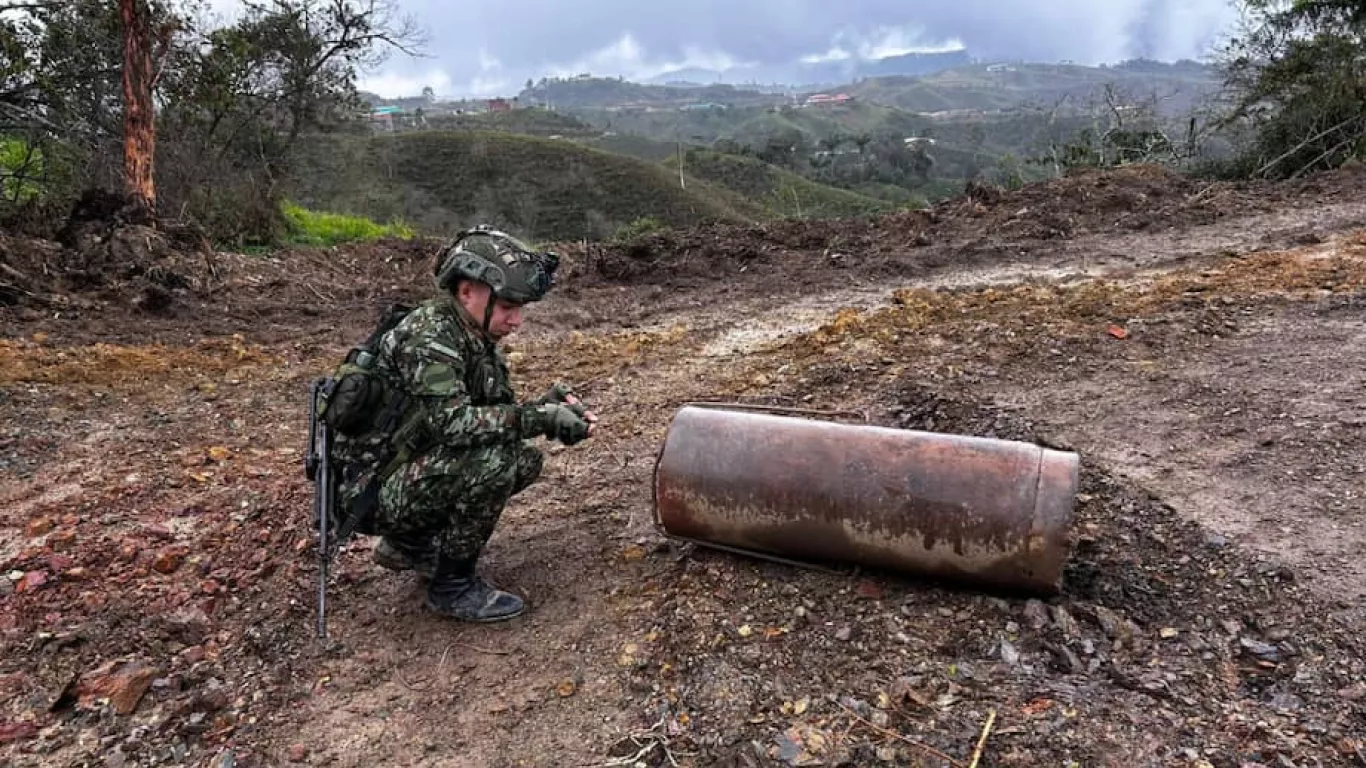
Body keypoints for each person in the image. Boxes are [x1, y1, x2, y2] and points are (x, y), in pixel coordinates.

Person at [337, 225, 597, 623]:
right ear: (467, 291)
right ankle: (452, 587)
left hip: (400, 472)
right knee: (495, 464)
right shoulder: (430, 337)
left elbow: (494, 417)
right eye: (508, 306)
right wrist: (541, 418)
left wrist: (549, 407)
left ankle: (408, 543)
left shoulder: (472, 337)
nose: (517, 321)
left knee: (522, 459)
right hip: (368, 493)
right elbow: (456, 425)